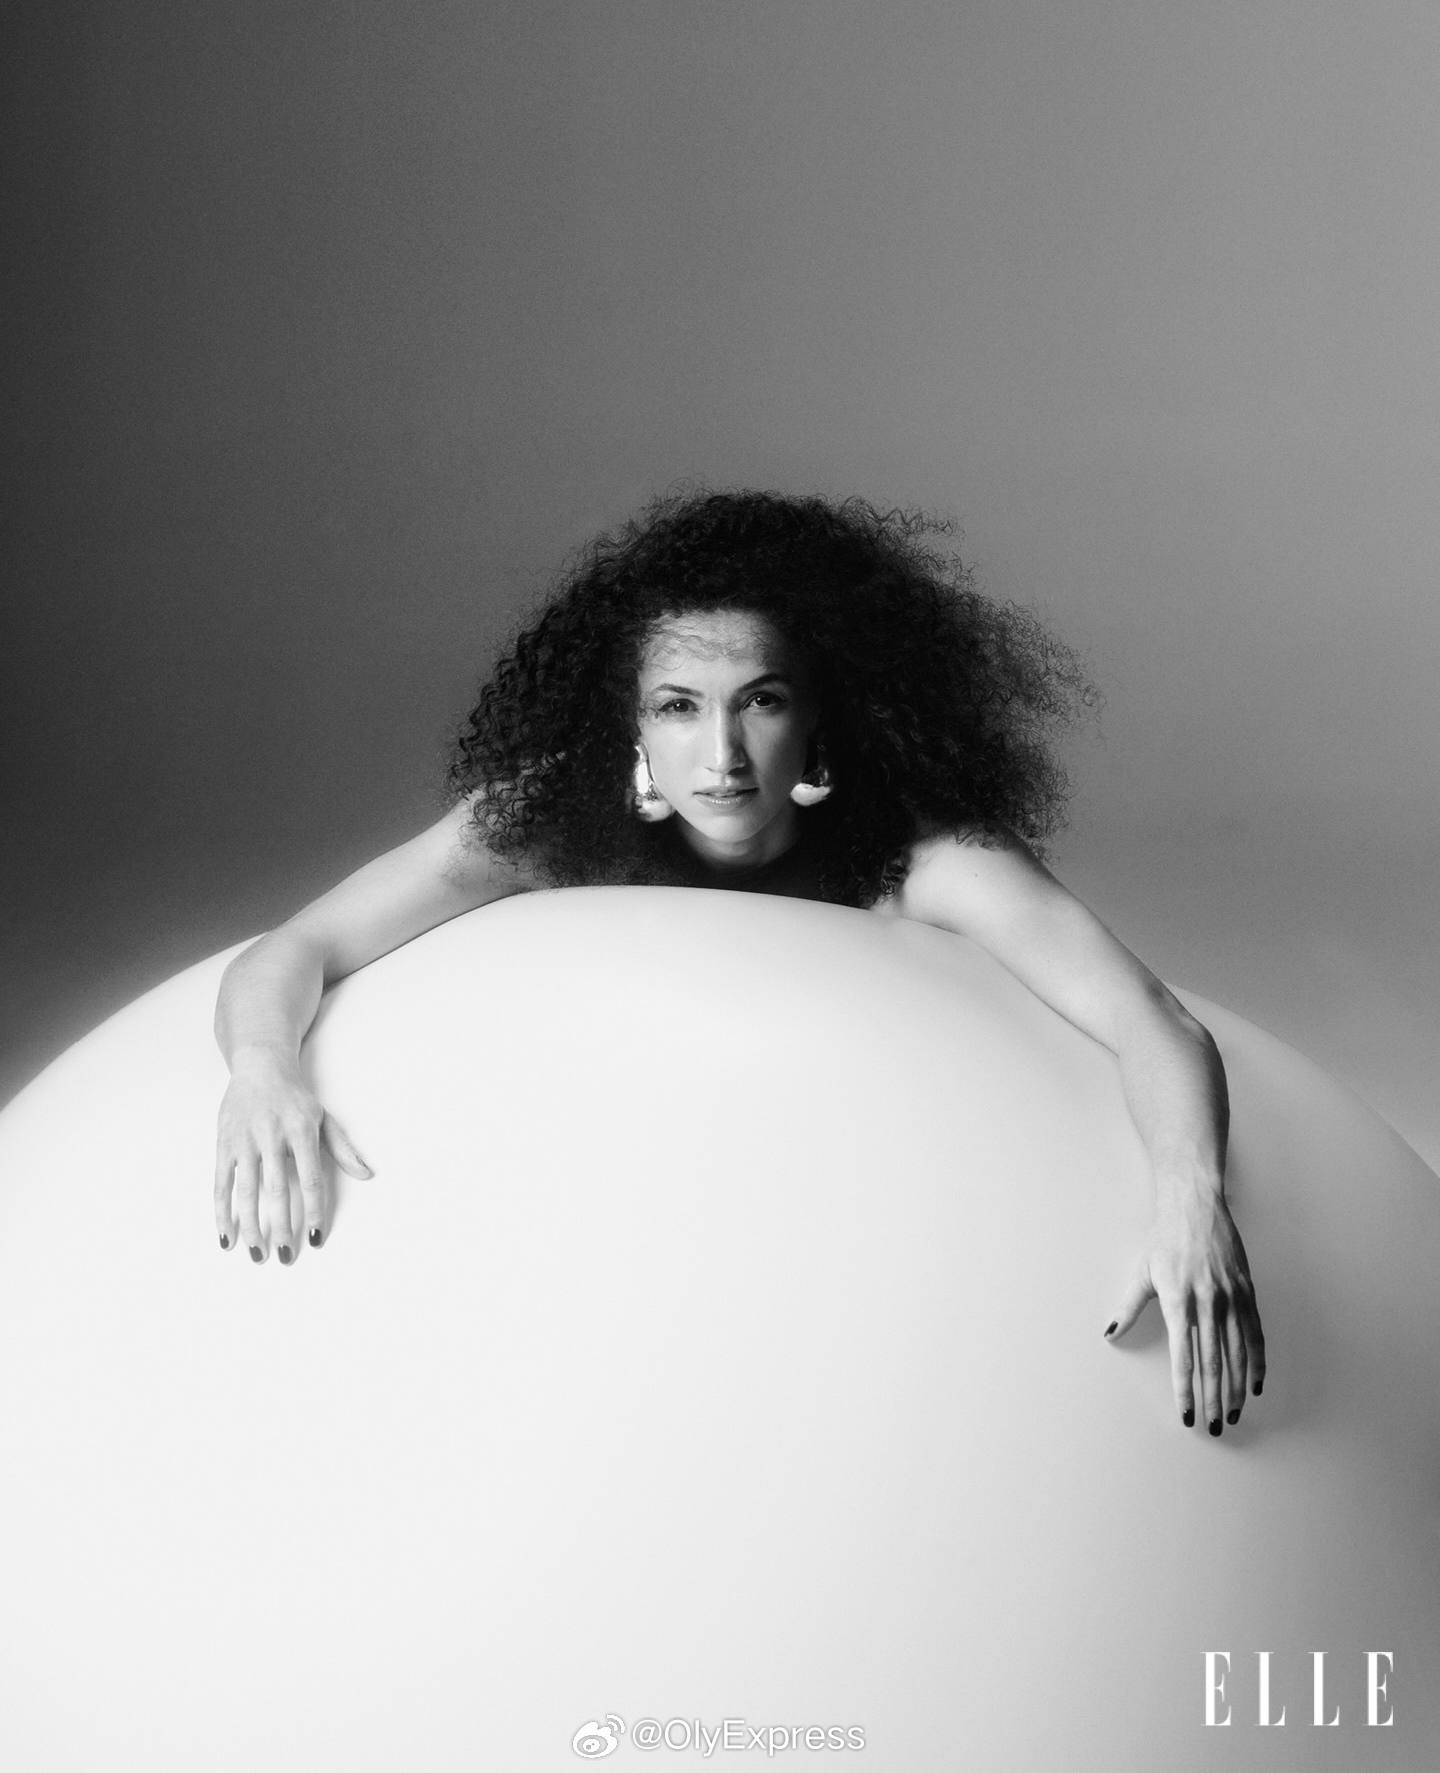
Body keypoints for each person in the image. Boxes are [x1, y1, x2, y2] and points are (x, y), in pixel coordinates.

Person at [214, 488, 1264, 1437]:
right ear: (629, 725)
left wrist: (1191, 1200)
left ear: (820, 717)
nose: (721, 756)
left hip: (861, 1294)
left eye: (761, 700)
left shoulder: (919, 855)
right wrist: (264, 1074)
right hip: (579, 1270)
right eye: (678, 706)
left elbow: (1151, 1021)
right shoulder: (543, 827)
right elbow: (294, 950)